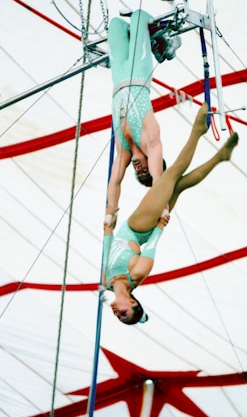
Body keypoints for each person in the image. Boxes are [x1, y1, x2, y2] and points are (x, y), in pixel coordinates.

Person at [102, 103, 239, 325]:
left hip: (138, 228)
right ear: (134, 303)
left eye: (118, 317)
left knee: (180, 184)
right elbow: (152, 245)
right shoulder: (137, 274)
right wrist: (160, 225)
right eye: (124, 314)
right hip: (141, 227)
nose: (117, 313)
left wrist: (108, 227)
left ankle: (220, 157)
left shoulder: (105, 279)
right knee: (173, 173)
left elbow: (106, 249)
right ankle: (197, 130)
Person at [105, 9, 165, 227]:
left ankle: (149, 38)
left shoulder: (123, 151)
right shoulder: (151, 140)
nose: (140, 170)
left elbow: (115, 181)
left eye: (138, 174)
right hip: (139, 74)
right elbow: (159, 181)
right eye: (145, 171)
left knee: (115, 26)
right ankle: (159, 42)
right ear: (153, 163)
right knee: (139, 16)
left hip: (119, 78)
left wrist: (110, 213)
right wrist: (161, 209)